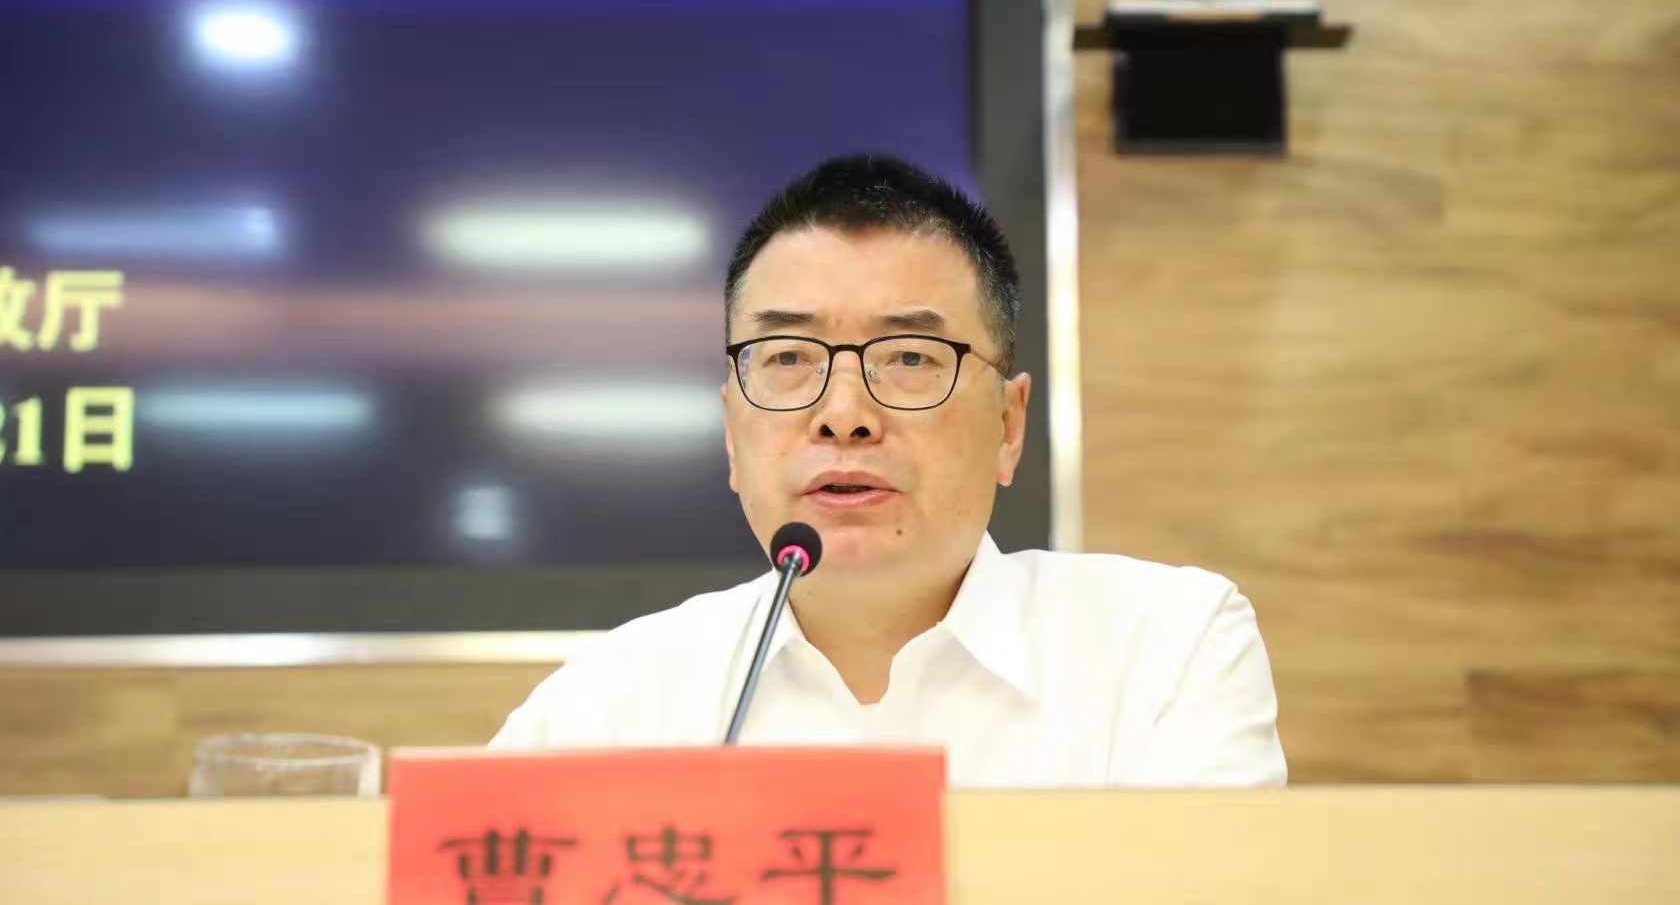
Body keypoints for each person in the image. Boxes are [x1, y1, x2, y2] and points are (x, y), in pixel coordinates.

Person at [492, 154, 1286, 787]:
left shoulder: (1164, 650)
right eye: (788, 358)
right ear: (732, 433)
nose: (844, 414)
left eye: (909, 357)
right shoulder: (609, 706)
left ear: (1009, 426)